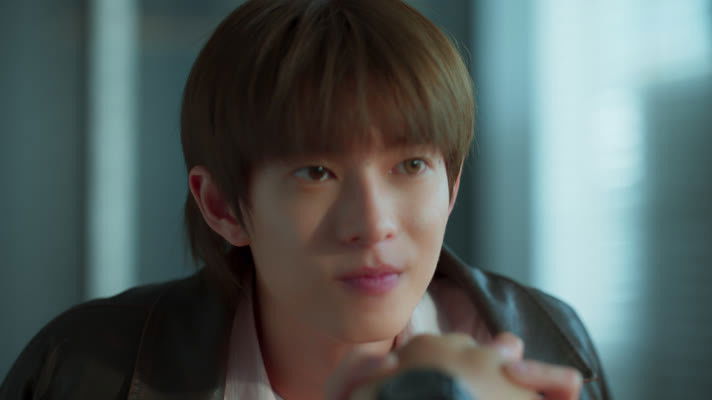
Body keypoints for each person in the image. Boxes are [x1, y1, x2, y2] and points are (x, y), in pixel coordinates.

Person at [0, 1, 611, 399]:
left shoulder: (543, 343)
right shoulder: (80, 369)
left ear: (451, 186)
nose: (373, 224)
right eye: (316, 172)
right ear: (223, 207)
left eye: (410, 165)